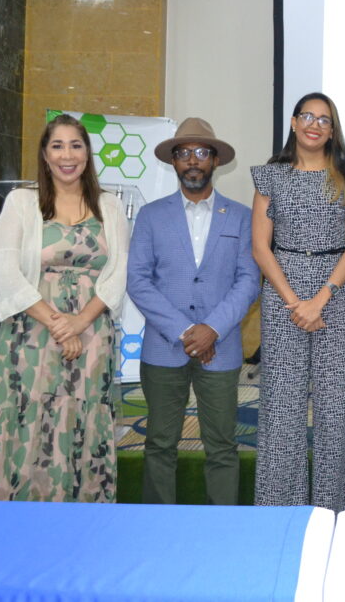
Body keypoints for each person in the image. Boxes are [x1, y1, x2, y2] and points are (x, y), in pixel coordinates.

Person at [0, 114, 128, 501]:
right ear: (45, 155)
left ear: (88, 153)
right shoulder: (21, 202)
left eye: (75, 145)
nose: (67, 154)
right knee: (29, 421)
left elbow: (117, 274)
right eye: (57, 145)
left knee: (85, 420)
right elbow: (6, 270)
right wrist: (60, 325)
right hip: (32, 335)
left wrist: (80, 323)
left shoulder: (109, 206)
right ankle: (21, 522)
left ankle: (84, 522)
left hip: (92, 333)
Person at [126, 117, 259, 505]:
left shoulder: (239, 216)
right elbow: (138, 281)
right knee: (159, 442)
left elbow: (249, 280)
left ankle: (224, 526)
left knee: (221, 444)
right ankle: (160, 526)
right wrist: (187, 331)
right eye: (184, 154)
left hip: (221, 347)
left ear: (216, 160)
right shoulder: (151, 216)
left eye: (202, 152)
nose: (193, 161)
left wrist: (212, 329)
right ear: (173, 162)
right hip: (164, 348)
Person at [251, 92, 345, 512]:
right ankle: (279, 513)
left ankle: (335, 510)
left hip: (336, 295)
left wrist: (319, 299)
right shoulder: (271, 176)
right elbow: (261, 249)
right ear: (294, 123)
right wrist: (294, 302)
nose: (314, 125)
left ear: (332, 129)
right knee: (282, 410)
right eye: (307, 116)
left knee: (337, 409)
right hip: (283, 296)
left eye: (324, 119)